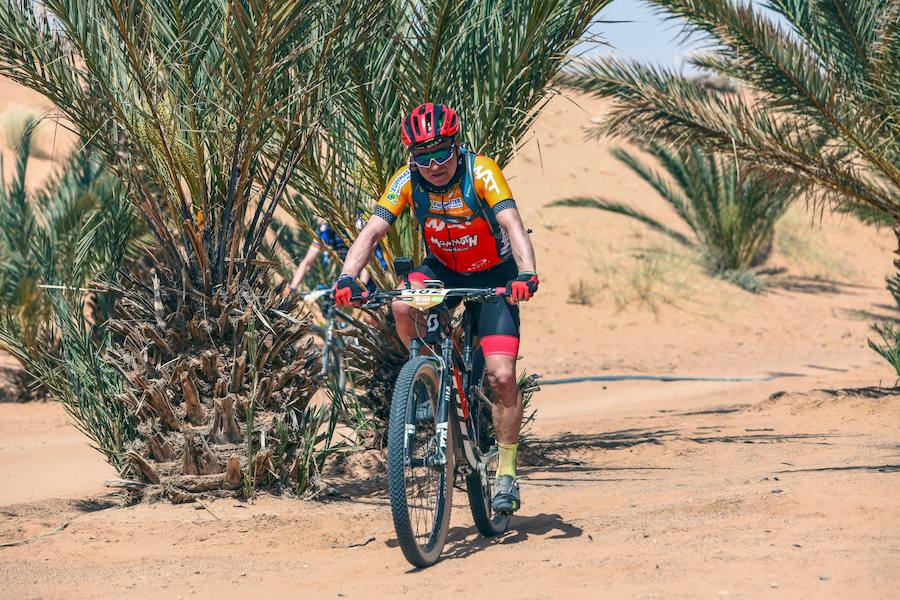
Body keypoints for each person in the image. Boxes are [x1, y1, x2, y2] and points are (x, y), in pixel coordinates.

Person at [333, 102, 539, 513]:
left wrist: (526, 273)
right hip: (443, 271)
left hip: (494, 276)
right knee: (402, 306)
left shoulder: (481, 172)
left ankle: (507, 474)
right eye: (423, 157)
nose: (434, 165)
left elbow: (512, 224)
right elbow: (373, 231)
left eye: (442, 154)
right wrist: (347, 278)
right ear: (412, 157)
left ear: (457, 146)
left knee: (501, 376)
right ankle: (427, 374)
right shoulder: (406, 180)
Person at [283, 219, 385, 297]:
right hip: (352, 275)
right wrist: (292, 287)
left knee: (371, 318)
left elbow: (369, 259)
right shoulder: (326, 230)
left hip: (375, 274)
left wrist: (360, 286)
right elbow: (307, 262)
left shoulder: (359, 223)